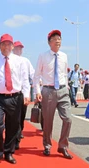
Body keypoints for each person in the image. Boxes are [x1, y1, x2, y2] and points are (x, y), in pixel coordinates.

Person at [0, 34, 30, 168]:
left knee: (13, 126)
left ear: (13, 46)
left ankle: (9, 152)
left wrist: (26, 94)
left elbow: (25, 79)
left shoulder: (19, 61)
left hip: (15, 97)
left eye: (9, 44)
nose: (6, 47)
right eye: (3, 44)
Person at [33, 29, 73, 159]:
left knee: (68, 119)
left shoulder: (64, 56)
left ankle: (63, 146)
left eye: (59, 39)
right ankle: (47, 145)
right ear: (49, 42)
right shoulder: (43, 56)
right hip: (48, 91)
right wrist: (38, 92)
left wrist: (66, 87)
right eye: (55, 39)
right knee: (48, 121)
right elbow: (37, 75)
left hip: (62, 91)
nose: (58, 41)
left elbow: (64, 74)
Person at [12, 40, 35, 147]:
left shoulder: (26, 61)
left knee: (22, 115)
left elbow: (33, 74)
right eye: (17, 48)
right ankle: (15, 138)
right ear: (13, 48)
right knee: (14, 116)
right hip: (12, 92)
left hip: (23, 92)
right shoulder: (9, 60)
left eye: (20, 48)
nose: (19, 50)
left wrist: (38, 84)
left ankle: (19, 131)